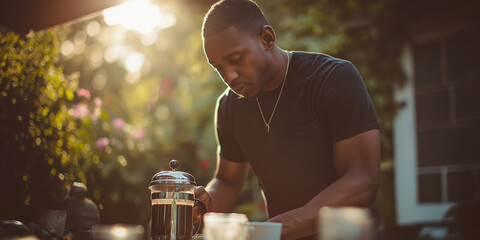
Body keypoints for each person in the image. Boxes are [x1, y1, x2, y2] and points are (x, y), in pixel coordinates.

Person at [193, 0, 381, 239]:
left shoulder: (333, 79)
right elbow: (227, 181)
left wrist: (276, 228)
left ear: (267, 39)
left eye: (237, 58)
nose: (229, 76)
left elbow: (362, 180)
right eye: (218, 67)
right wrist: (206, 202)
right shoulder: (229, 106)